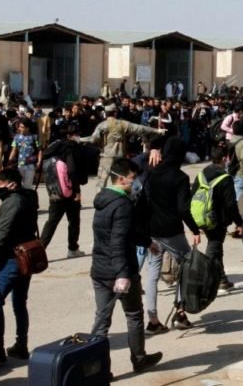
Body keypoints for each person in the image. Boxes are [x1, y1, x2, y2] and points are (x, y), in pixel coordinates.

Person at [90, 158, 162, 375]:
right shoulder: (122, 205)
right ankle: (139, 359)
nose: (135, 182)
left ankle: (96, 369)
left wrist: (147, 242)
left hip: (100, 269)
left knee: (102, 320)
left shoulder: (103, 200)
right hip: (118, 271)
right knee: (133, 315)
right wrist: (123, 274)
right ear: (121, 179)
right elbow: (118, 241)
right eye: (132, 178)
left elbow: (125, 233)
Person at [144, 137, 202, 334]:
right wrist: (194, 229)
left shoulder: (151, 173)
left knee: (152, 273)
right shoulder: (180, 178)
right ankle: (180, 311)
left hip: (152, 229)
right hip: (171, 230)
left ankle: (152, 319)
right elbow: (183, 209)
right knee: (186, 266)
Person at [0, 168, 38, 364]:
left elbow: (1, 235)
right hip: (26, 257)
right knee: (19, 302)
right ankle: (21, 344)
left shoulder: (13, 203)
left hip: (12, 259)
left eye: (0, 183)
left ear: (11, 184)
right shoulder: (29, 196)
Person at [192, 147, 242, 291]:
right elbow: (231, 204)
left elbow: (193, 195)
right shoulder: (225, 179)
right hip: (217, 220)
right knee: (214, 248)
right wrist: (239, 222)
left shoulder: (201, 175)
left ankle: (221, 279)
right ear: (224, 159)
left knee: (217, 248)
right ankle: (205, 280)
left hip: (201, 217)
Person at [81, 104, 165, 189]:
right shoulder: (123, 124)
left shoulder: (102, 125)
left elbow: (93, 139)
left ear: (106, 114)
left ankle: (101, 201)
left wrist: (79, 139)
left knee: (101, 183)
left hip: (107, 157)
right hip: (121, 157)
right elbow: (140, 128)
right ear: (115, 113)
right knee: (122, 181)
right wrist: (157, 130)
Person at [40, 125, 87, 258]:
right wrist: (77, 192)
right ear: (70, 136)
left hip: (55, 190)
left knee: (52, 221)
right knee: (74, 221)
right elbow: (71, 170)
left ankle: (40, 249)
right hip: (70, 191)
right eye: (76, 135)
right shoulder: (70, 148)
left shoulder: (55, 148)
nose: (77, 137)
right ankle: (73, 249)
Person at [9, 118, 41, 189]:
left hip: (31, 165)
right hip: (19, 165)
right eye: (19, 127)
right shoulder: (16, 137)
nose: (20, 129)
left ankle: (28, 199)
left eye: (22, 127)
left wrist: (39, 162)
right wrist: (10, 161)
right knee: (19, 185)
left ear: (28, 128)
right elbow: (14, 150)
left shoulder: (34, 137)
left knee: (28, 186)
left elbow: (40, 150)